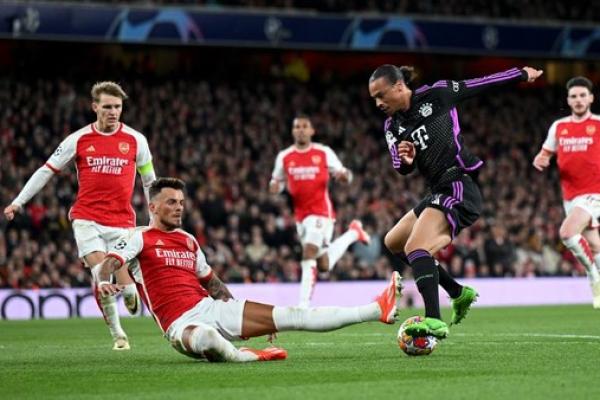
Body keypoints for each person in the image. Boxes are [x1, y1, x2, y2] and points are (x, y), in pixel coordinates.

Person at [95, 177, 402, 362]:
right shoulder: (138, 237)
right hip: (180, 325)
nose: (179, 207)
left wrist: (238, 310)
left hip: (211, 308)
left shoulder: (188, 240)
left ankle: (378, 309)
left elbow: (212, 283)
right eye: (171, 202)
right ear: (153, 207)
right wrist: (106, 279)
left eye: (182, 202)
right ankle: (244, 358)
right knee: (207, 340)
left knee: (294, 315)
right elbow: (109, 262)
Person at [368, 65, 543, 338]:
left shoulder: (437, 95)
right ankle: (458, 293)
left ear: (399, 86)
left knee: (416, 246)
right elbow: (399, 166)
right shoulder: (392, 125)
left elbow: (482, 83)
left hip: (458, 183)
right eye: (373, 98)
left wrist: (520, 74)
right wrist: (404, 160)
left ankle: (434, 320)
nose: (377, 103)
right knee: (394, 242)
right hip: (436, 190)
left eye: (381, 95)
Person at [3, 81, 156, 350]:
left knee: (128, 288)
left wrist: (154, 217)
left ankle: (130, 291)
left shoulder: (136, 140)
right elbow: (46, 170)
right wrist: (19, 201)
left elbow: (149, 181)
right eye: (107, 107)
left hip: (122, 223)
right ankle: (118, 334)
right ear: (94, 107)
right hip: (87, 220)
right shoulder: (79, 139)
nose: (113, 112)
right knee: (100, 274)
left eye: (117, 107)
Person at [269, 114, 371, 308]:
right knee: (323, 266)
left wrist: (344, 176)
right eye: (297, 126)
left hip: (321, 213)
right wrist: (274, 187)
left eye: (304, 126)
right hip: (300, 216)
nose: (300, 129)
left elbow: (345, 175)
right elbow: (277, 181)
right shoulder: (284, 157)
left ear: (311, 131)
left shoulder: (323, 152)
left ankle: (302, 307)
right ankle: (353, 233)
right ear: (293, 131)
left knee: (309, 252)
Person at [533, 76, 600, 308]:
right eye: (574, 96)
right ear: (568, 100)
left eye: (583, 95)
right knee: (594, 244)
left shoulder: (599, 124)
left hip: (595, 193)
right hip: (570, 196)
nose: (579, 100)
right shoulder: (559, 126)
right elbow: (545, 154)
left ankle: (593, 277)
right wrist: (541, 159)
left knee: (567, 232)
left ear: (591, 98)